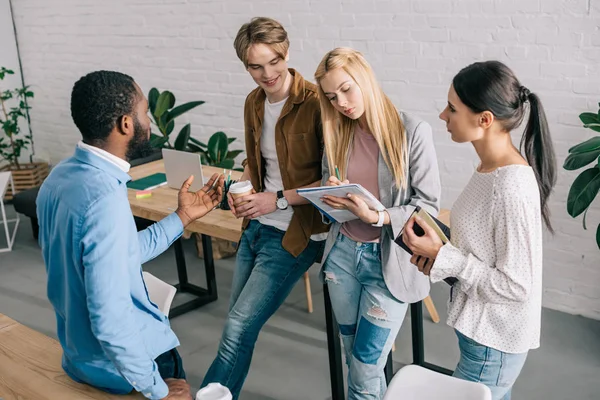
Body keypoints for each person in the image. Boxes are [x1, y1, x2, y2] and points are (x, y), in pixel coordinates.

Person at [37, 70, 224, 400]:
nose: (149, 121)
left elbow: (121, 255)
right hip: (130, 368)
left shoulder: (58, 178)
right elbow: (110, 319)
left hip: (80, 358)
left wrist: (182, 217)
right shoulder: (104, 198)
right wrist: (156, 389)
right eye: (145, 112)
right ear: (126, 124)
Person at [403, 60, 556, 400]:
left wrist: (443, 256)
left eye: (452, 109)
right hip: (482, 335)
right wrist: (435, 237)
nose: (443, 116)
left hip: (493, 343)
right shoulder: (489, 168)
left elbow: (516, 285)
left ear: (484, 120)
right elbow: (481, 237)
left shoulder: (511, 186)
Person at [201, 17, 329, 398]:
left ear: (285, 52)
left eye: (273, 61)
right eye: (255, 66)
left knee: (238, 325)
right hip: (256, 225)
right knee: (237, 326)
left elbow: (334, 181)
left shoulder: (317, 103)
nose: (266, 73)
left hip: (296, 233)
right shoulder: (254, 103)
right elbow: (257, 163)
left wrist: (273, 199)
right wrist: (243, 186)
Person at [313, 47, 441, 399]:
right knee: (353, 356)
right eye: (331, 96)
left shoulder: (413, 131)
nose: (341, 102)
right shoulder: (337, 133)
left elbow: (428, 206)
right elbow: (331, 192)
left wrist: (380, 216)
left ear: (365, 79)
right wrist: (328, 196)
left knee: (365, 367)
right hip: (342, 257)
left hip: (389, 263)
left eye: (346, 89)